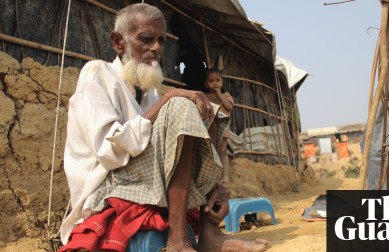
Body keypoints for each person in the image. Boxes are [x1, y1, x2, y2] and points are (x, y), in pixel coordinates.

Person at [59, 3, 268, 252]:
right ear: (118, 42)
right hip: (104, 184)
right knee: (181, 105)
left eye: (161, 40)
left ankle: (210, 233)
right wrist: (169, 100)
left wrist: (215, 186)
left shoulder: (148, 93)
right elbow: (108, 152)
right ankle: (177, 240)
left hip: (140, 177)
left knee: (208, 112)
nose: (156, 48)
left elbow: (174, 147)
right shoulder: (97, 73)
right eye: (146, 39)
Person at [204, 68, 234, 183]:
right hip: (210, 128)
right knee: (211, 153)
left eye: (217, 80)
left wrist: (219, 95)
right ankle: (213, 177)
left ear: (222, 82)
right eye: (211, 81)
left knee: (222, 151)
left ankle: (225, 176)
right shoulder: (205, 96)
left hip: (223, 129)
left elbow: (229, 107)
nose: (215, 83)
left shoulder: (226, 95)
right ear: (206, 84)